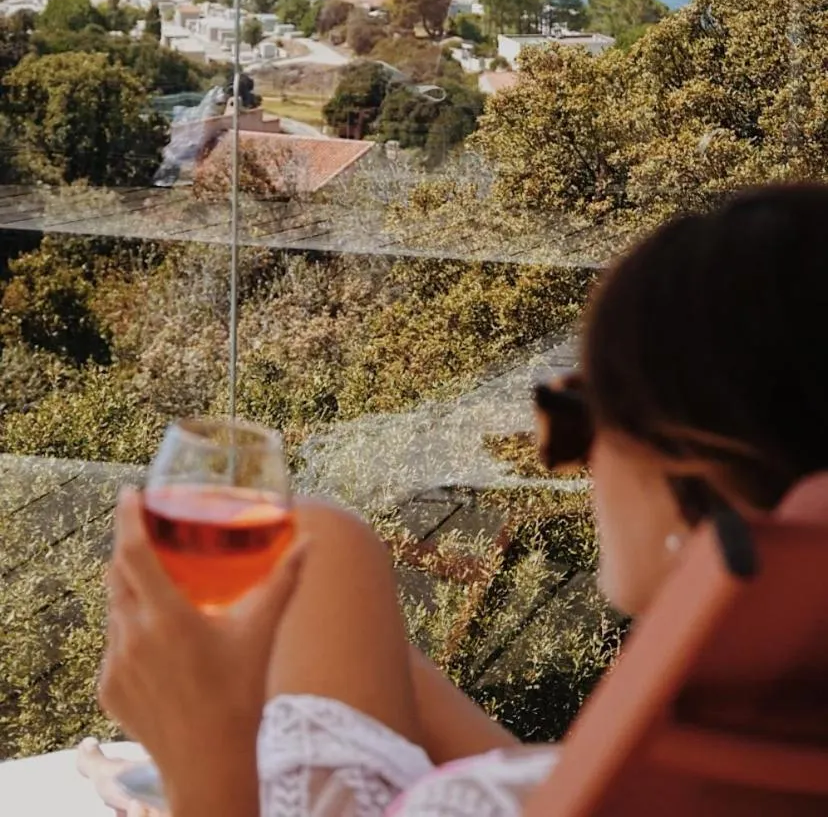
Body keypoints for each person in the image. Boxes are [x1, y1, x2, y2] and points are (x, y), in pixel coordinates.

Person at [80, 183, 828, 817]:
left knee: (312, 547)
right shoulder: (779, 726)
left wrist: (206, 763)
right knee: (319, 544)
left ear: (692, 460)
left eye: (579, 413)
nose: (577, 457)